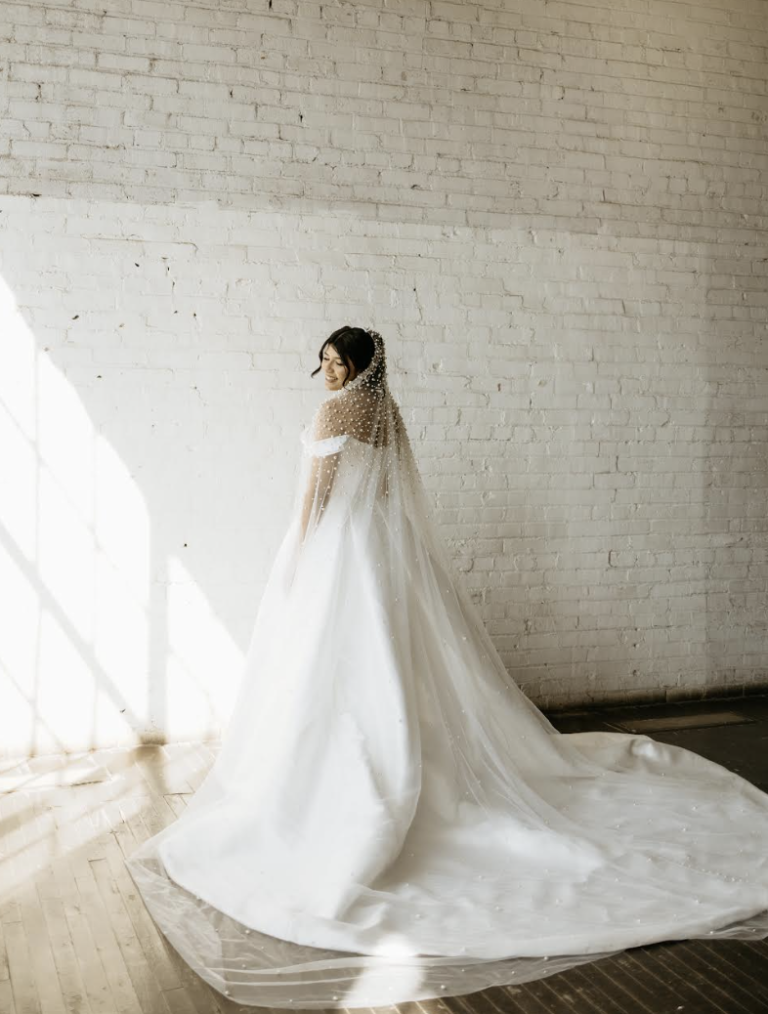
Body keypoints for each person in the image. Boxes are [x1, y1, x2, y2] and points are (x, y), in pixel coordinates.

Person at [126, 326, 768, 1009]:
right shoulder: (387, 411)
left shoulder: (332, 414)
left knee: (333, 672)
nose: (326, 374)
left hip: (336, 552)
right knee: (388, 668)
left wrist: (297, 560)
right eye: (322, 364)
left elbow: (315, 499)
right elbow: (387, 494)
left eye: (336, 364)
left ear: (357, 368)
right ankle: (401, 763)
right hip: (378, 552)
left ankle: (347, 779)